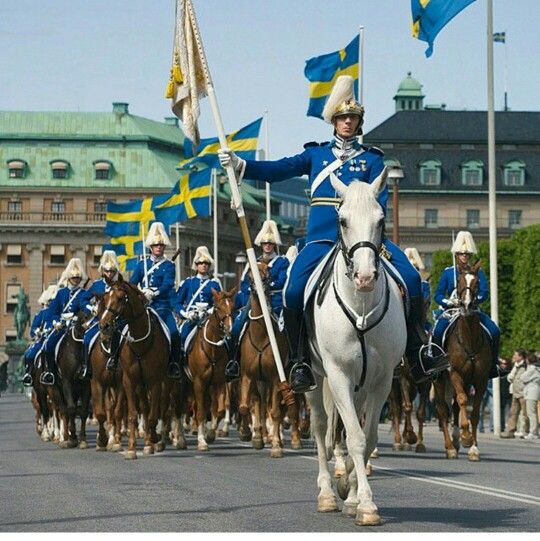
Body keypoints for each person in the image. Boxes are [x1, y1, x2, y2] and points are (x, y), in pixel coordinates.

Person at [218, 75, 447, 392]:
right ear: (333, 122)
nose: (347, 122)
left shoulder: (372, 159)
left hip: (365, 238)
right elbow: (278, 169)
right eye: (342, 118)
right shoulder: (316, 156)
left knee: (411, 279)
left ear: (359, 121)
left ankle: (416, 351)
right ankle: (299, 361)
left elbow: (378, 201)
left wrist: (372, 231)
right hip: (321, 239)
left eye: (352, 117)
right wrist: (243, 164)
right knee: (292, 291)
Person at [225, 220, 289, 382]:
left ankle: (292, 361)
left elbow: (282, 281)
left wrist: (268, 286)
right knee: (237, 327)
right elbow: (245, 285)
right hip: (254, 303)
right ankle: (234, 362)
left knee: (287, 329)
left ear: (274, 244)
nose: (267, 245)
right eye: (265, 243)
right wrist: (251, 291)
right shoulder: (253, 262)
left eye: (270, 243)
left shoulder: (282, 262)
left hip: (275, 303)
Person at [432, 231, 501, 379]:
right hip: (452, 312)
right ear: (456, 255)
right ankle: (437, 366)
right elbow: (437, 295)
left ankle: (493, 365)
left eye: (467, 254)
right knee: (438, 332)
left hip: (473, 310)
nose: (464, 257)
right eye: (461, 254)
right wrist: (448, 302)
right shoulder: (448, 273)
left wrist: (475, 300)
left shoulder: (477, 272)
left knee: (494, 331)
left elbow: (484, 292)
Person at [129, 222, 181, 379]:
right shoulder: (141, 265)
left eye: (161, 245)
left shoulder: (169, 266)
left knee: (174, 334)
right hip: (143, 308)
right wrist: (140, 292)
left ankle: (174, 364)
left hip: (161, 308)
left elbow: (167, 284)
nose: (158, 247)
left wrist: (154, 292)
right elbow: (132, 284)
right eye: (155, 245)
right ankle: (115, 360)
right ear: (150, 246)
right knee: (122, 330)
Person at [40, 258, 88, 385]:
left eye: (78, 278)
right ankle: (50, 372)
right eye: (74, 278)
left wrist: (77, 318)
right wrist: (56, 321)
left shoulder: (83, 293)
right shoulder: (61, 293)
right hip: (61, 326)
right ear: (69, 279)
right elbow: (53, 311)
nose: (76, 280)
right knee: (48, 344)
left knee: (88, 343)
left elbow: (85, 309)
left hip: (76, 326)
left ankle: (86, 369)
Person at [173, 246, 222, 367]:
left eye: (206, 263)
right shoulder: (188, 282)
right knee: (183, 336)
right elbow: (177, 302)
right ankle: (181, 363)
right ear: (196, 265)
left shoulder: (214, 283)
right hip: (191, 318)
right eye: (200, 263)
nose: (203, 265)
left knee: (224, 339)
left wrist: (210, 311)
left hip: (208, 319)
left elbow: (219, 302)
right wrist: (185, 313)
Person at [81, 250, 121, 376]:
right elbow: (83, 300)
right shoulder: (97, 285)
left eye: (112, 271)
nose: (109, 274)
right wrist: (90, 308)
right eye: (107, 271)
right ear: (103, 271)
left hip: (117, 320)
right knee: (87, 339)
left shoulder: (120, 285)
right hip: (99, 320)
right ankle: (87, 367)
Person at [21, 285, 57, 386]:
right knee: (30, 354)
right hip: (43, 339)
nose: (52, 303)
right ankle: (29, 374)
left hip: (57, 337)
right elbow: (33, 329)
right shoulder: (42, 313)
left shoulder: (60, 312)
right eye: (51, 301)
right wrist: (38, 332)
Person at [501, 349, 529, 438]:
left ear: (520, 357)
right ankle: (511, 431)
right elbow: (510, 377)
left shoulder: (526, 366)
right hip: (515, 392)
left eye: (515, 355)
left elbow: (524, 378)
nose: (513, 357)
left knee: (525, 413)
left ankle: (526, 431)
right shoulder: (516, 365)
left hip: (524, 393)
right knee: (513, 413)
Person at [521, 353, 540, 440]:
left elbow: (523, 377)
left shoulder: (532, 369)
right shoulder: (536, 368)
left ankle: (533, 432)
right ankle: (534, 431)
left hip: (531, 392)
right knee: (532, 413)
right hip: (533, 391)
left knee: (531, 413)